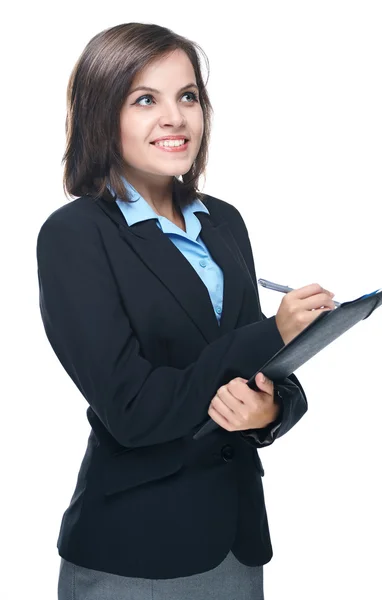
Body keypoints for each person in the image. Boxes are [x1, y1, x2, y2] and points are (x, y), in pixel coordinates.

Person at [36, 22, 336, 600]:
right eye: (145, 99)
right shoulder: (75, 234)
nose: (175, 117)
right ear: (103, 115)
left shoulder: (223, 222)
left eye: (188, 96)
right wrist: (272, 331)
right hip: (134, 552)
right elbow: (132, 409)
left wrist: (269, 412)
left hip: (235, 543)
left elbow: (269, 374)